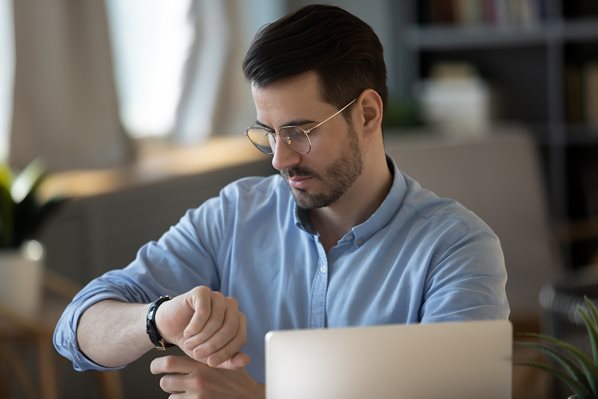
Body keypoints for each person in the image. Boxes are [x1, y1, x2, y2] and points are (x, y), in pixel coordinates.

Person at [54, 4, 509, 398]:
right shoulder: (233, 216)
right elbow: (74, 330)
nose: (279, 159)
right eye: (268, 133)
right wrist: (157, 320)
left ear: (367, 113)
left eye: (299, 132)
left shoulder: (456, 247)